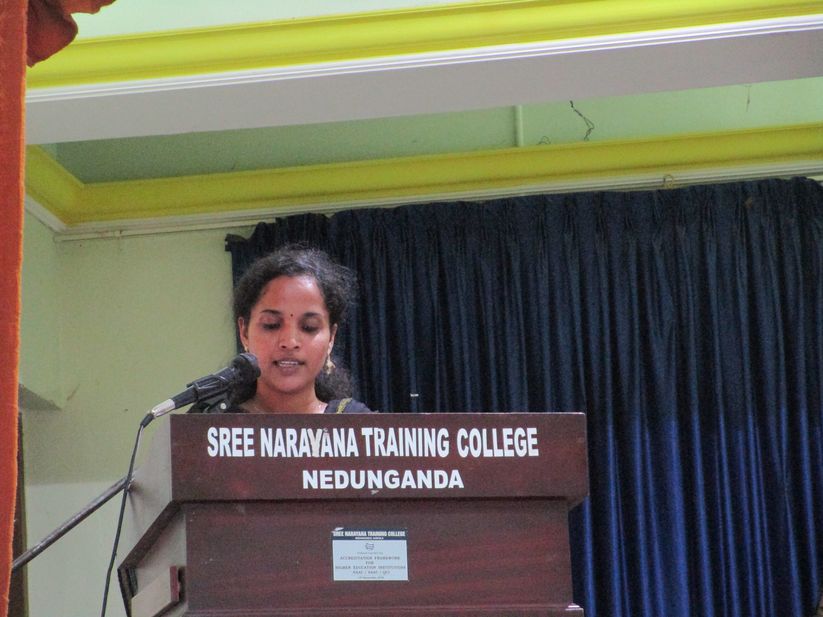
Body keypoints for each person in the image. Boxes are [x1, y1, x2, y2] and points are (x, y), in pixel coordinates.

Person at [228, 244, 372, 414]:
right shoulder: (214, 426)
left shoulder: (356, 423)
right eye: (271, 324)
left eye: (309, 327)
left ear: (331, 338)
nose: (290, 342)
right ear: (244, 332)